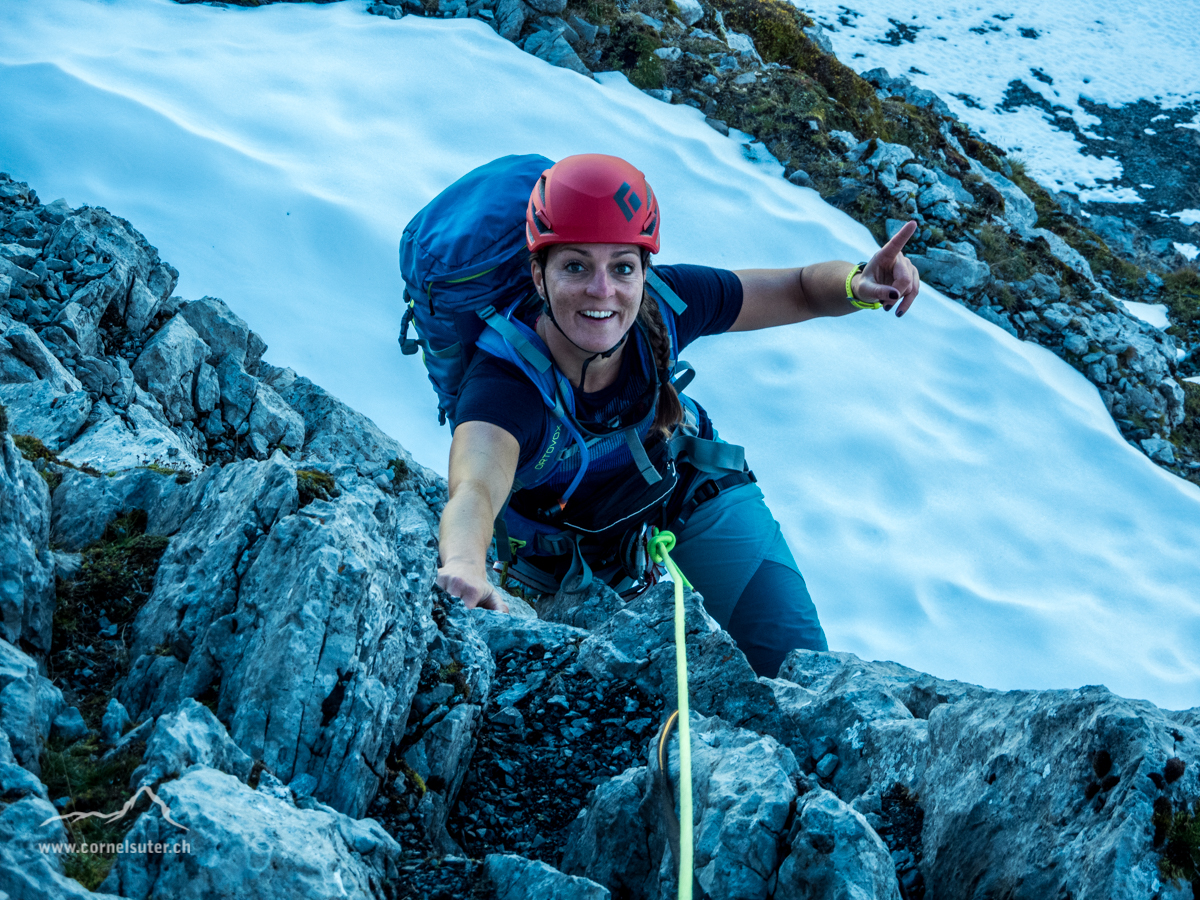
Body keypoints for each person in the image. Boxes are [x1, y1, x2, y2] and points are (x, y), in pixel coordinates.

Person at [435, 153, 920, 678]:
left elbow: (799, 287)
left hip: (687, 488)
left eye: (623, 267)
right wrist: (464, 563)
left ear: (645, 271)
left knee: (802, 667)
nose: (603, 291)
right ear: (538, 275)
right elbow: (475, 488)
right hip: (568, 557)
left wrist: (857, 282)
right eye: (575, 266)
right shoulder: (504, 385)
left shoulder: (665, 305)